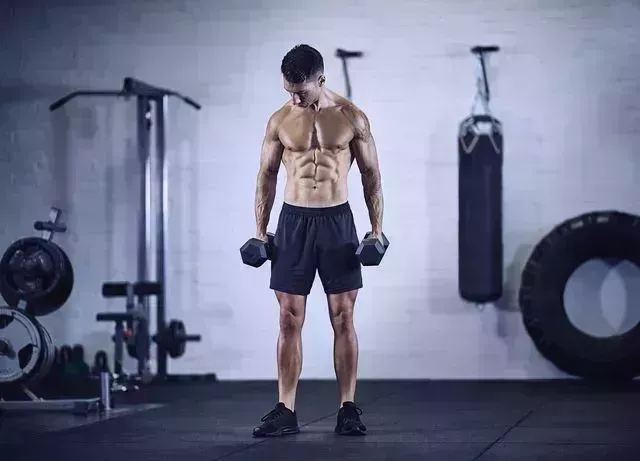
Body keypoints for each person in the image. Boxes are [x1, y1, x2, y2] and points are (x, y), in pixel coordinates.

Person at [251, 44, 384, 437]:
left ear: (321, 80)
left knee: (343, 316)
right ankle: (285, 410)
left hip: (337, 221)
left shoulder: (351, 117)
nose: (294, 98)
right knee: (288, 318)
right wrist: (260, 232)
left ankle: (347, 408)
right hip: (293, 221)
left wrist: (376, 230)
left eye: (302, 91)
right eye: (288, 90)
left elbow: (371, 176)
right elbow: (266, 176)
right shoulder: (279, 120)